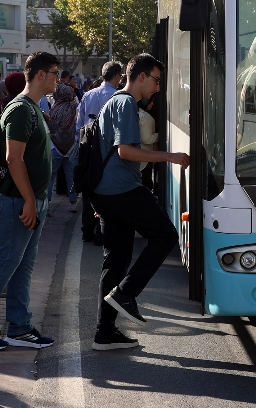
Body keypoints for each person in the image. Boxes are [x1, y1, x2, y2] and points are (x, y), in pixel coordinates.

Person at [89, 54, 188, 351]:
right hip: (121, 189)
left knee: (116, 262)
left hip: (106, 192)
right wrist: (170, 156)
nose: (158, 87)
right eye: (157, 80)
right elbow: (126, 152)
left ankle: (104, 333)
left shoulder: (118, 102)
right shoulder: (125, 103)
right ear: (142, 77)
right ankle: (126, 293)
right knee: (166, 235)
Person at [0, 52, 60, 351]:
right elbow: (14, 158)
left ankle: (19, 327)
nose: (57, 79)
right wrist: (28, 199)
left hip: (30, 200)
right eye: (54, 73)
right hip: (16, 200)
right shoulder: (22, 110)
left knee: (22, 265)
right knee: (6, 263)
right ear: (40, 75)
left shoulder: (33, 108)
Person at [75, 62, 124, 244]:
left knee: (88, 192)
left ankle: (86, 231)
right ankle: (100, 233)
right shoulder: (118, 97)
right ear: (117, 76)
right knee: (105, 192)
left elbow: (78, 124)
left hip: (87, 149)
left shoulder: (88, 95)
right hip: (108, 151)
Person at [47, 81, 79, 212]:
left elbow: (51, 127)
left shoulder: (55, 108)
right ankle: (73, 202)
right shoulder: (74, 107)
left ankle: (47, 203)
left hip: (55, 146)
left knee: (50, 176)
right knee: (71, 175)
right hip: (71, 147)